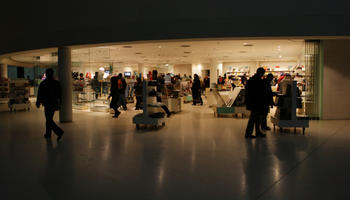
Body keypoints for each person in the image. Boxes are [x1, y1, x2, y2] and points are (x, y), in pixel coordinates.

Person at [36, 68, 64, 142]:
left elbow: (39, 93)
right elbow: (60, 94)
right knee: (49, 118)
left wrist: (38, 102)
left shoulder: (43, 83)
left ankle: (59, 132)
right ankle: (48, 133)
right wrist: (60, 103)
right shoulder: (56, 83)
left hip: (47, 103)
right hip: (53, 103)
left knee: (48, 119)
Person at [244, 67, 267, 138]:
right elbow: (259, 92)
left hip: (253, 102)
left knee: (256, 118)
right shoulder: (257, 80)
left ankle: (257, 132)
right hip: (256, 102)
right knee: (254, 118)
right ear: (261, 73)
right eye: (263, 73)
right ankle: (249, 133)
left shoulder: (252, 79)